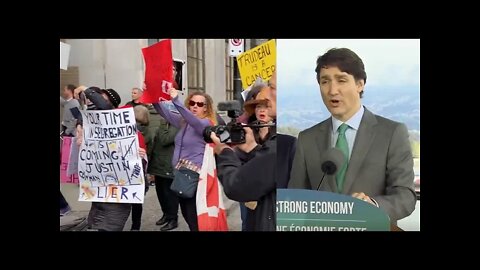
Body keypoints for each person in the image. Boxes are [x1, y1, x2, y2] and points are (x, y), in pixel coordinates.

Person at [288, 48, 416, 223]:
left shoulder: (392, 133)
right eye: (325, 81)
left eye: (341, 80)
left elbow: (405, 197)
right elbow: (296, 199)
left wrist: (374, 205)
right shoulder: (307, 139)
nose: (332, 90)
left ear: (360, 84)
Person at [74, 86, 147, 231]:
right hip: (99, 195)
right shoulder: (94, 129)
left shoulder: (127, 126)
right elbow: (86, 114)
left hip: (119, 196)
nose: (94, 101)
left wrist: (140, 157)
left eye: (101, 98)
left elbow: (105, 108)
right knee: (93, 226)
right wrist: (80, 131)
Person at [152, 88, 216, 231]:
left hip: (194, 176)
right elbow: (165, 112)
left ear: (206, 108)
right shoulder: (184, 122)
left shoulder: (205, 124)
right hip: (181, 173)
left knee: (193, 215)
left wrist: (175, 100)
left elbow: (193, 120)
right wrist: (152, 95)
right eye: (192, 103)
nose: (195, 106)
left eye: (199, 104)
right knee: (187, 214)